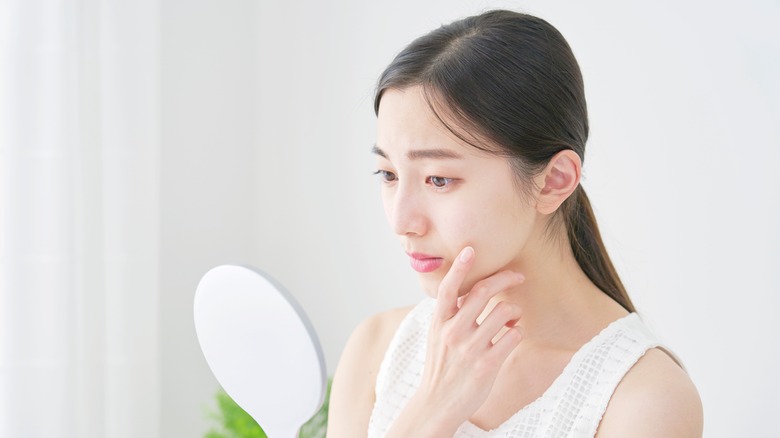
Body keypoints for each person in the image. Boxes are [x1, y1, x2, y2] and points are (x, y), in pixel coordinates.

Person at [327, 9, 702, 437]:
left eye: (439, 179)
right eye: (389, 175)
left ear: (553, 181)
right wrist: (430, 410)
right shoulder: (377, 348)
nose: (402, 221)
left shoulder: (642, 399)